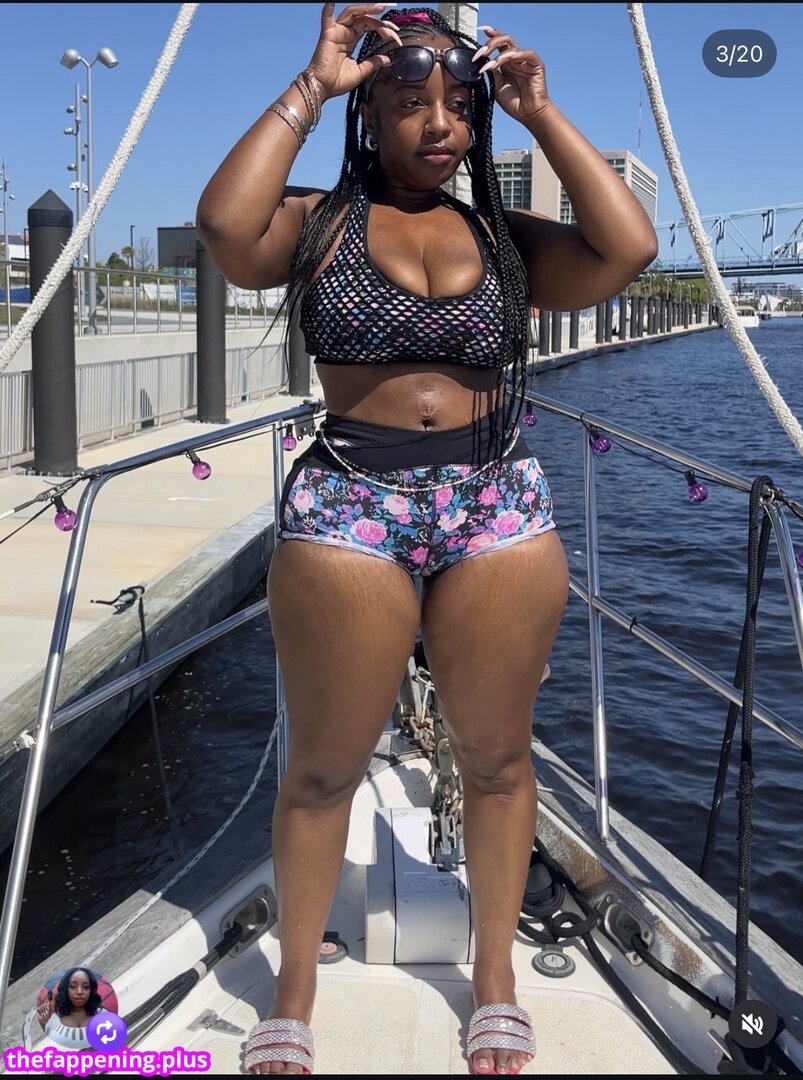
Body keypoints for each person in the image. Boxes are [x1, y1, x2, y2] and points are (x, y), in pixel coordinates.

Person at [197, 4, 658, 1074]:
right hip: (349, 506)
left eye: (457, 106)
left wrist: (537, 113)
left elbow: (628, 247)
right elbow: (223, 226)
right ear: (371, 116)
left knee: (496, 760)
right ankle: (294, 989)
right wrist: (314, 83)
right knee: (323, 768)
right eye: (409, 103)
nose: (439, 124)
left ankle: (492, 978)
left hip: (494, 505)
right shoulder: (314, 226)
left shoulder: (503, 238)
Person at [36, 967, 106, 1050]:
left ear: (91, 990)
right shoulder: (54, 1020)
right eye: (73, 986)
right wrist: (44, 1023)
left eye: (86, 987)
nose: (79, 992)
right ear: (66, 990)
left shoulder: (104, 1016)